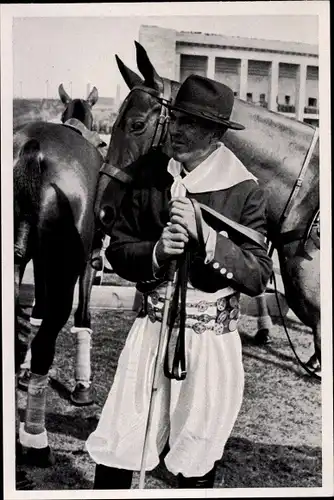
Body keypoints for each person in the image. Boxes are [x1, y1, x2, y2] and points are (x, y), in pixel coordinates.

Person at [85, 75, 273, 489]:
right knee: (119, 443)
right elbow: (119, 248)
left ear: (217, 133)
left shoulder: (244, 190)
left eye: (192, 123)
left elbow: (259, 275)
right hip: (150, 333)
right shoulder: (150, 170)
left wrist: (208, 240)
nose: (177, 129)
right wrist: (156, 252)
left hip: (210, 346)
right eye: (176, 118)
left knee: (195, 457)